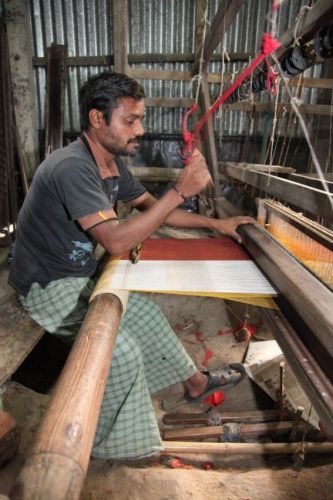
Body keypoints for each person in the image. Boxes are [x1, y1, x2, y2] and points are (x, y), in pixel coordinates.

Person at [9, 71, 254, 461]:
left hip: (78, 274)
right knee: (119, 353)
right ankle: (106, 447)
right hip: (46, 285)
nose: (140, 129)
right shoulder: (72, 167)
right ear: (97, 119)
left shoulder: (109, 163)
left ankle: (194, 383)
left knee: (147, 315)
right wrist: (179, 191)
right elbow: (118, 240)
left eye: (140, 118)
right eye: (130, 120)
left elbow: (154, 212)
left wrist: (216, 224)